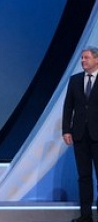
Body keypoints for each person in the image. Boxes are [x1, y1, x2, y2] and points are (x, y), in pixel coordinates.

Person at [63, 47, 98, 222]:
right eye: (82, 58)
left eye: (86, 58)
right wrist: (66, 130)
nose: (83, 61)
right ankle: (86, 215)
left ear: (97, 60)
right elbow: (68, 107)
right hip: (79, 136)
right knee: (84, 177)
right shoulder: (75, 80)